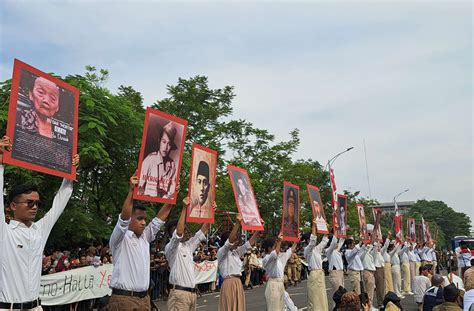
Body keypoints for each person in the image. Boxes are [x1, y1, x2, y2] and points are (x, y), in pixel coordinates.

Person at [0, 136, 79, 310]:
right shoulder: (4, 233)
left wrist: (70, 173)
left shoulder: (39, 230)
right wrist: (0, 163)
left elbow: (59, 202)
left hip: (36, 307)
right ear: (13, 205)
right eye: (29, 203)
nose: (34, 207)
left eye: (37, 203)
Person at [105, 174, 173, 311]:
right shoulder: (120, 238)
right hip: (124, 301)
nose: (143, 222)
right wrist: (131, 191)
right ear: (130, 219)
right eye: (139, 219)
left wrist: (173, 196)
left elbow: (160, 219)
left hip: (144, 300)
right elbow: (123, 218)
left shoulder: (145, 237)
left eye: (145, 219)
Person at [164, 196, 214, 310]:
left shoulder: (188, 246)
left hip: (192, 294)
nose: (185, 232)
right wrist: (184, 209)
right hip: (179, 295)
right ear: (171, 234)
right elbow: (179, 233)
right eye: (183, 229)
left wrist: (211, 211)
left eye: (186, 229)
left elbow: (203, 230)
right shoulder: (171, 248)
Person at [217, 214, 260, 311]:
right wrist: (237, 223)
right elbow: (229, 241)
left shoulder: (236, 252)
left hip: (238, 282)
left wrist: (259, 228)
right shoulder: (222, 252)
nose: (237, 242)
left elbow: (249, 243)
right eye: (235, 240)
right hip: (229, 283)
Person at [138, 121, 178, 199]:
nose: (166, 147)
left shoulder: (172, 165)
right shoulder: (149, 159)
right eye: (164, 142)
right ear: (159, 141)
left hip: (162, 203)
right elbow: (139, 186)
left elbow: (172, 192)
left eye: (169, 144)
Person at [262, 232, 298, 311]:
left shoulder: (280, 258)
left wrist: (296, 241)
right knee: (274, 308)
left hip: (281, 285)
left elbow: (290, 250)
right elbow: (274, 255)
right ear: (269, 248)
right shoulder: (266, 259)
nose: (277, 248)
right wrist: (279, 241)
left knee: (283, 307)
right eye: (275, 246)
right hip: (273, 285)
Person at [304, 216, 329, 310]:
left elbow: (324, 241)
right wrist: (314, 227)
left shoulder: (317, 249)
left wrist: (327, 229)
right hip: (314, 273)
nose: (315, 238)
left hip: (320, 273)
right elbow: (313, 242)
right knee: (314, 299)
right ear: (307, 240)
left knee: (322, 297)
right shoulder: (307, 250)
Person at [326, 235, 345, 310]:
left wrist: (343, 231)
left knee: (342, 294)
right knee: (338, 295)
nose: (337, 244)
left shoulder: (336, 251)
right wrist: (336, 232)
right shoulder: (329, 251)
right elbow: (334, 243)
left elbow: (341, 241)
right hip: (335, 273)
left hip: (340, 273)